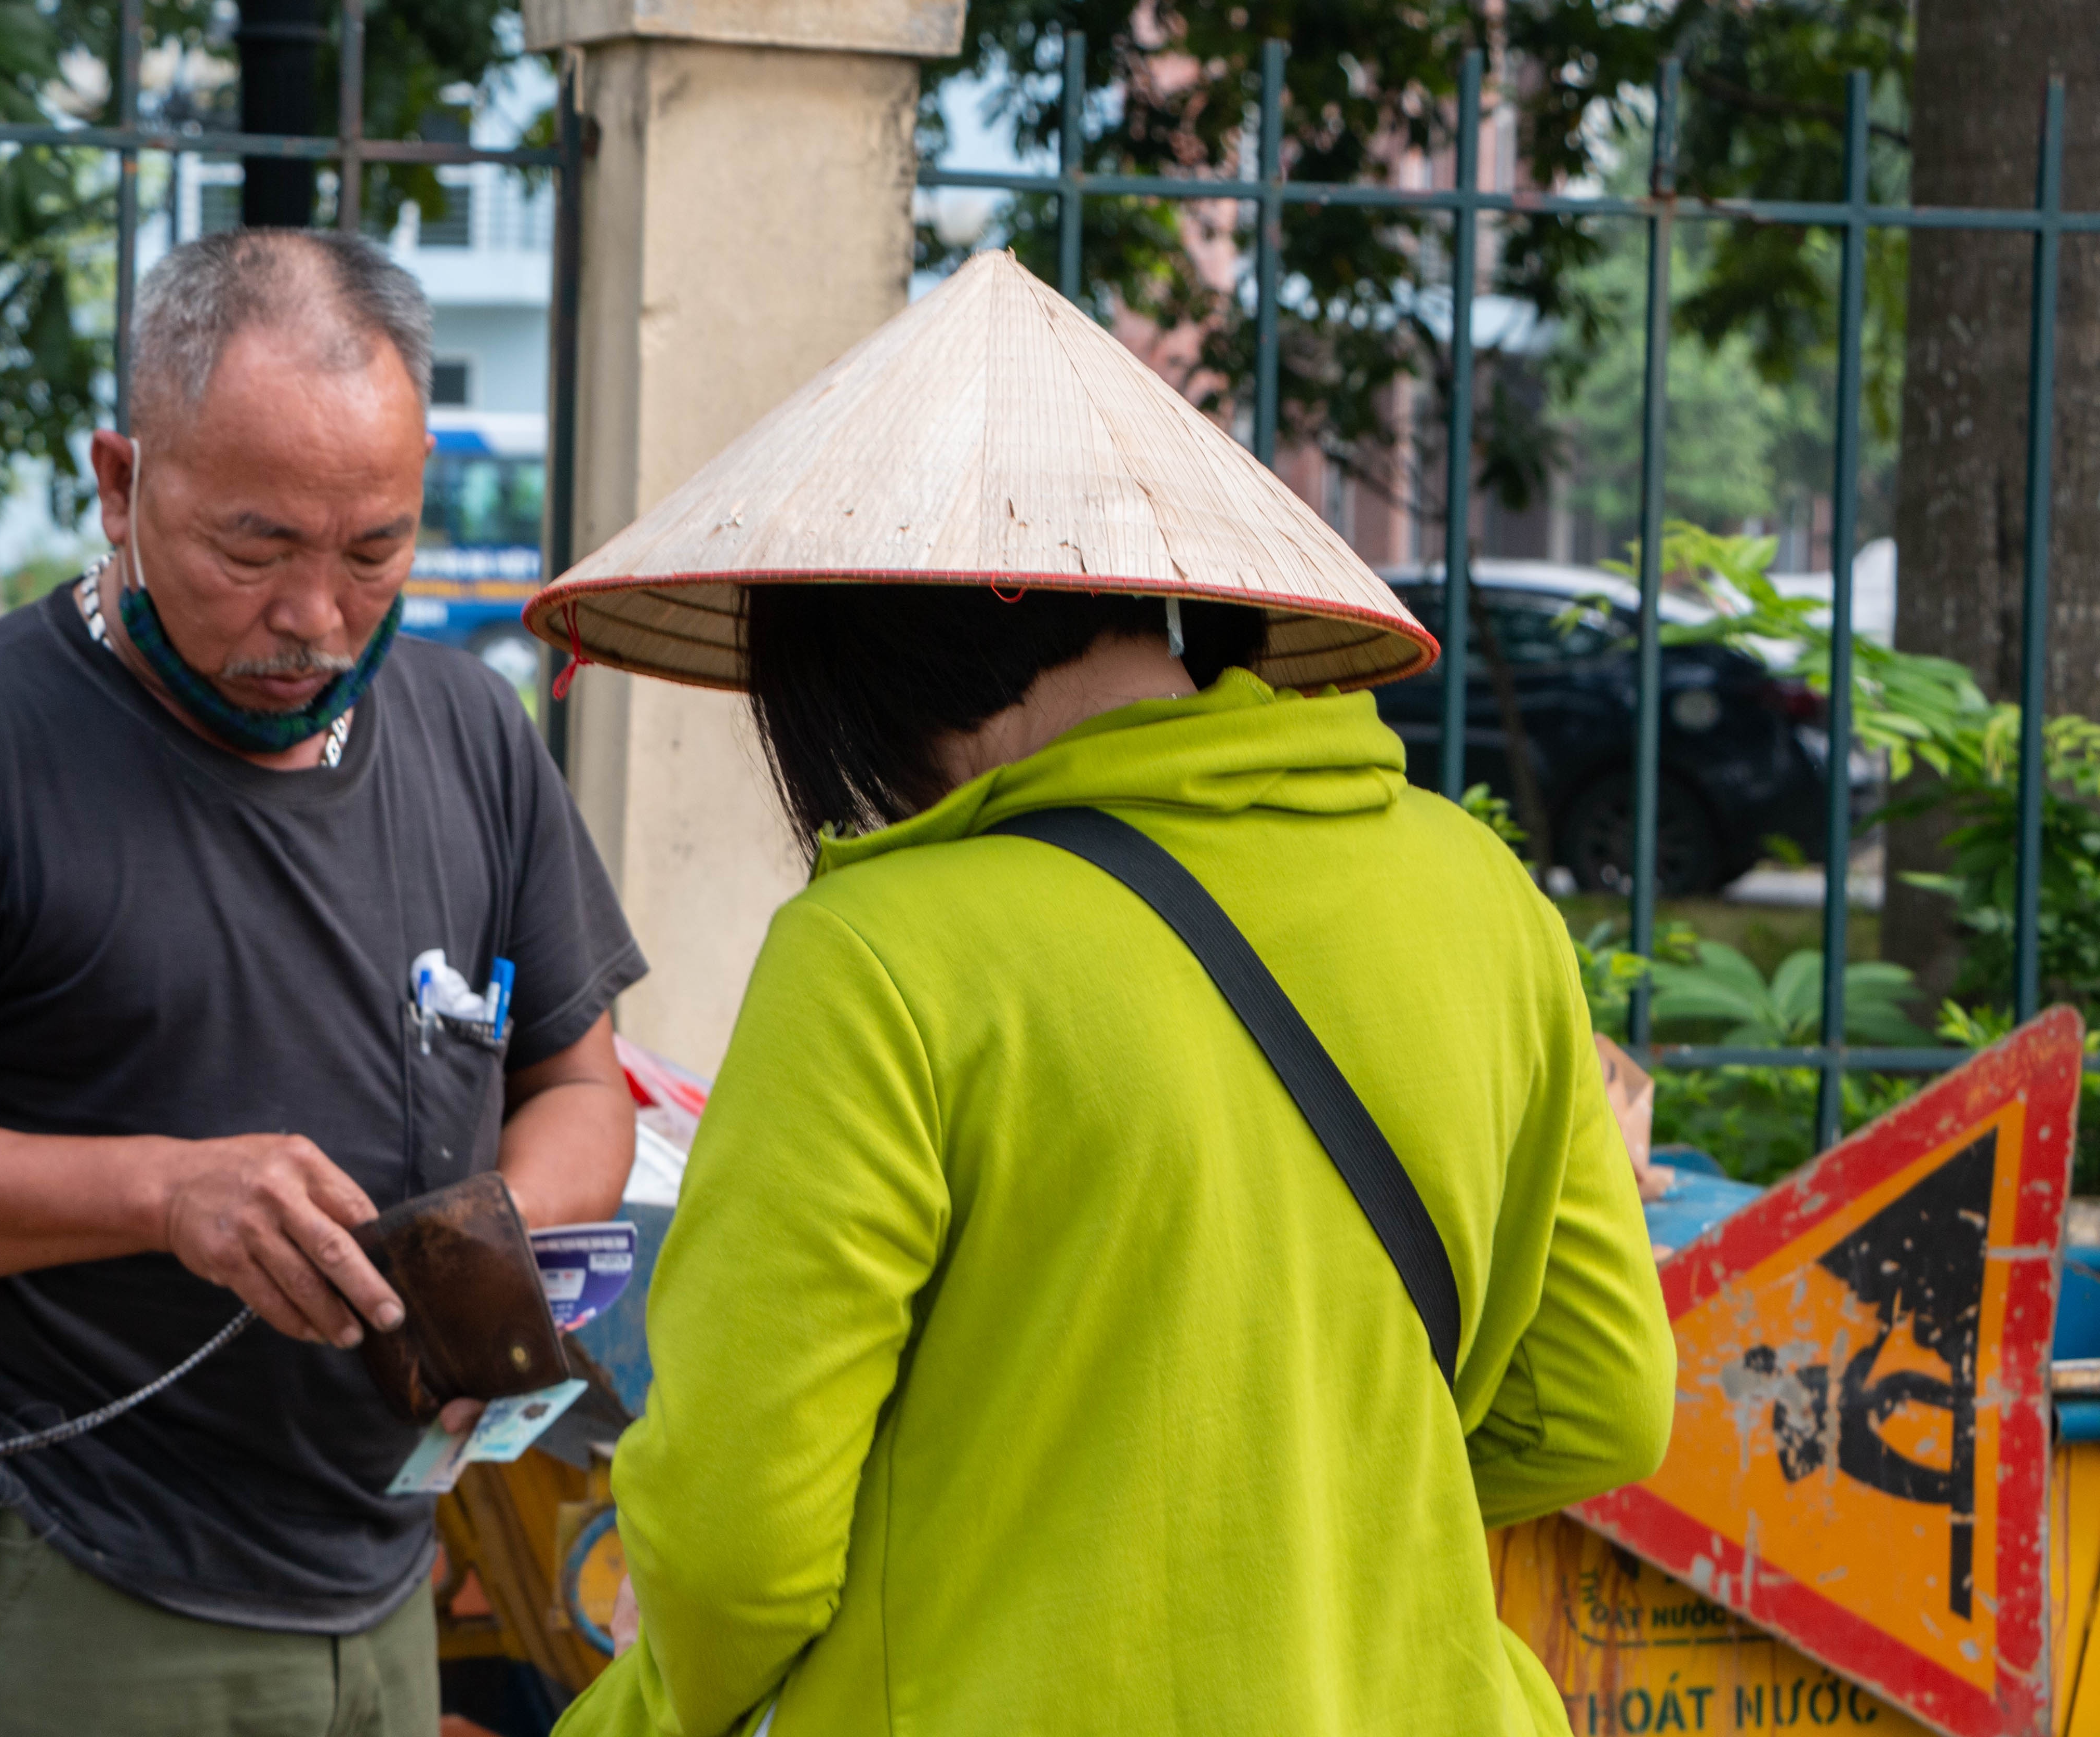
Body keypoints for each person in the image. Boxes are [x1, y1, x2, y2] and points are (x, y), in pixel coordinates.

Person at [524, 250, 1676, 1736]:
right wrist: (1301, 1512)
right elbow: (1599, 1400)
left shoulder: (882, 958)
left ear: (849, 662)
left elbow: (736, 1538)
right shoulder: (1482, 899)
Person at [0, 228, 648, 1735]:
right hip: (86, 1572)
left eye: (375, 552)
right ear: (119, 481)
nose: (314, 617)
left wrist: (490, 1247)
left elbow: (576, 1076)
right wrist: (165, 1195)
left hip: (386, 1576)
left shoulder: (470, 735)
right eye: (254, 548)